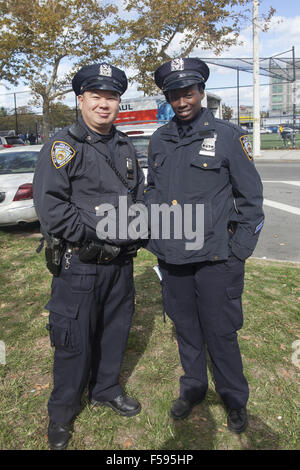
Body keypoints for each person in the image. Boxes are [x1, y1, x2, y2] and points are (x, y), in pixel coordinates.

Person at [145, 58, 264, 434]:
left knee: (221, 333)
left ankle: (233, 398)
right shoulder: (159, 139)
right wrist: (154, 238)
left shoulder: (227, 135)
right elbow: (154, 192)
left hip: (216, 259)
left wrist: (238, 251)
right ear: (168, 97)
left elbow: (251, 199)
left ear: (201, 93)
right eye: (175, 94)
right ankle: (194, 387)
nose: (182, 100)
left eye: (189, 92)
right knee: (186, 329)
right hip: (174, 258)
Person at [33, 63, 145, 450]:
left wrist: (139, 227)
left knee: (115, 330)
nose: (103, 104)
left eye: (111, 97)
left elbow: (138, 197)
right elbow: (52, 209)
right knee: (74, 341)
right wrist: (105, 232)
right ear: (80, 100)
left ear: (118, 103)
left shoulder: (125, 145)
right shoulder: (63, 147)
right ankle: (62, 414)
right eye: (95, 96)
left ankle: (106, 388)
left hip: (120, 265)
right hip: (80, 264)